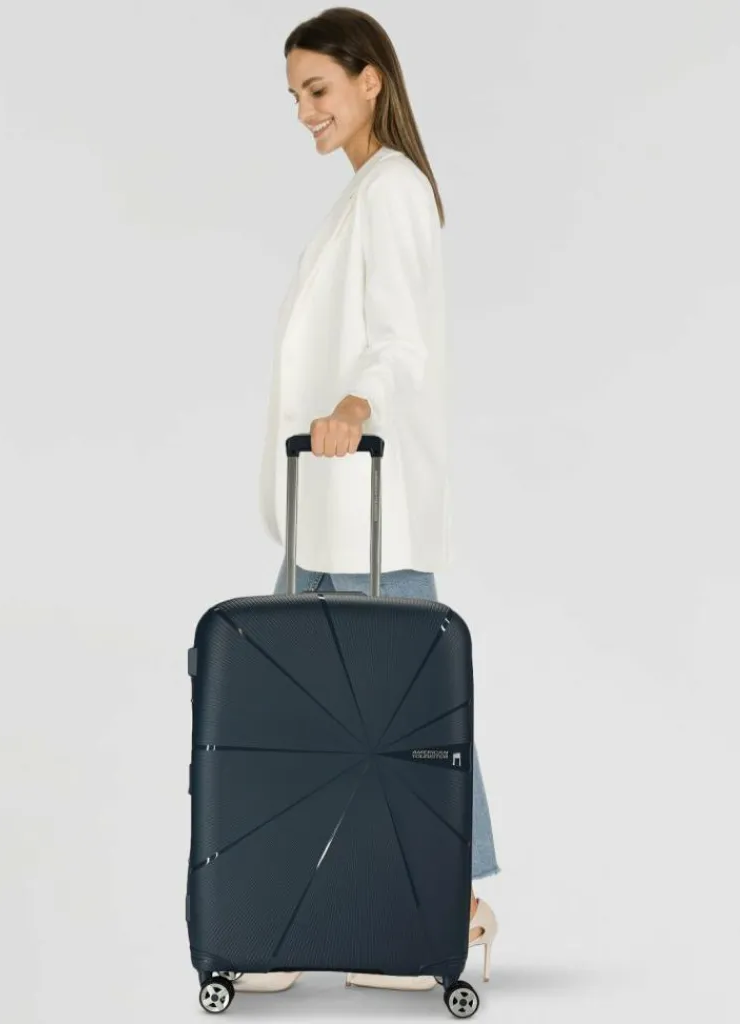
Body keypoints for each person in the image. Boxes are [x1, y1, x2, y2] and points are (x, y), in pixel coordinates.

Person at [238, 7, 501, 994]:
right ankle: (308, 910)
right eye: (295, 95)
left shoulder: (392, 189)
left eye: (317, 89)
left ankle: (449, 908)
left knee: (406, 716)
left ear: (369, 81)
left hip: (365, 508)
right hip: (329, 507)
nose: (304, 110)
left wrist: (356, 404)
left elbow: (400, 338)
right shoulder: (364, 190)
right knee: (320, 708)